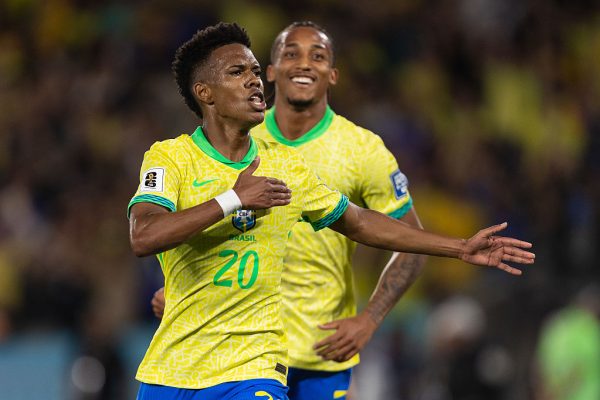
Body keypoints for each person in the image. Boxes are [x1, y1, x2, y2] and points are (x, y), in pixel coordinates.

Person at [129, 22, 534, 400]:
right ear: (205, 93)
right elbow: (143, 236)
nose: (253, 80)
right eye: (238, 72)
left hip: (259, 363)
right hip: (173, 367)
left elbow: (359, 222)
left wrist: (459, 247)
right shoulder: (170, 158)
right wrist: (232, 201)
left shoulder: (286, 165)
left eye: (253, 71)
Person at [153, 20, 428, 400]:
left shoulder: (362, 149)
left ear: (333, 74)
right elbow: (195, 209)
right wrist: (181, 286)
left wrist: (370, 319)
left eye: (318, 56)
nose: (304, 64)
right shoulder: (236, 130)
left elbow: (406, 241)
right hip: (242, 351)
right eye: (291, 54)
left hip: (319, 350)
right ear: (271, 71)